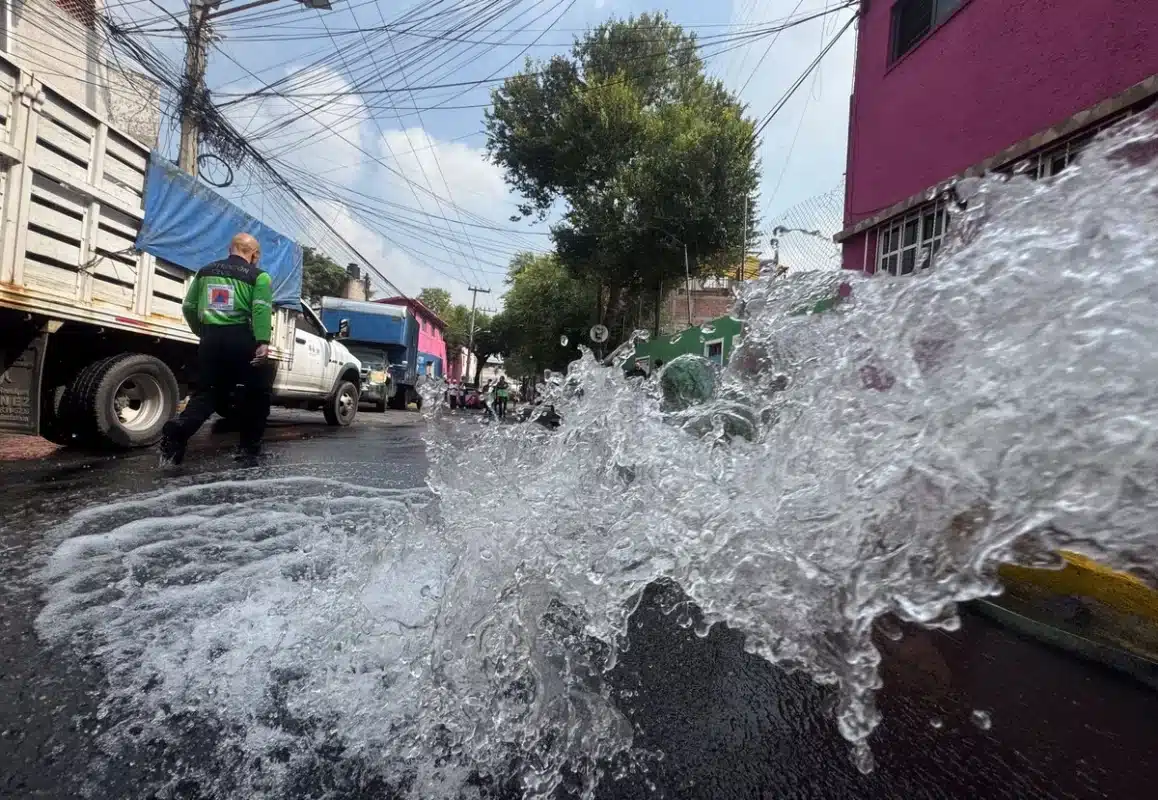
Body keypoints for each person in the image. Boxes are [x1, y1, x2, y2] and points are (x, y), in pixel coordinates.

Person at [159, 232, 273, 466]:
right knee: (257, 393)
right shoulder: (259, 276)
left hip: (210, 339)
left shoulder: (205, 271)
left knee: (208, 392)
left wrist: (202, 331)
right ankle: (249, 450)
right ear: (254, 254)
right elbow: (260, 308)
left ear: (230, 249)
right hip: (241, 338)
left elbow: (189, 306)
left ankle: (180, 429)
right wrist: (263, 341)